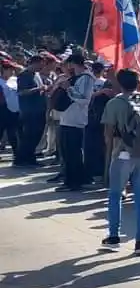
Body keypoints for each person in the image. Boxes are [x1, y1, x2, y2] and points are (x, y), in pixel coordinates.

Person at [100, 68, 140, 256]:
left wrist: (109, 155)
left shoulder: (115, 103)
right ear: (139, 82)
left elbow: (108, 134)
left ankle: (114, 235)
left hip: (123, 154)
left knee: (115, 195)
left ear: (119, 83)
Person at [56, 51, 95, 192]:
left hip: (75, 120)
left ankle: (73, 182)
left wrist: (69, 89)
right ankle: (73, 179)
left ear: (73, 63)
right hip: (67, 118)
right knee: (67, 152)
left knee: (73, 153)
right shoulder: (74, 77)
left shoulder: (86, 78)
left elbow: (84, 99)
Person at [15, 54, 47, 167]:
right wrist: (38, 89)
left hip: (39, 110)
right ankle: (23, 159)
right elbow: (21, 92)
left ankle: (29, 157)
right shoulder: (24, 75)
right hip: (29, 111)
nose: (42, 67)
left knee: (36, 135)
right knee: (29, 136)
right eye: (40, 65)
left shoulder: (36, 74)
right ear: (34, 63)